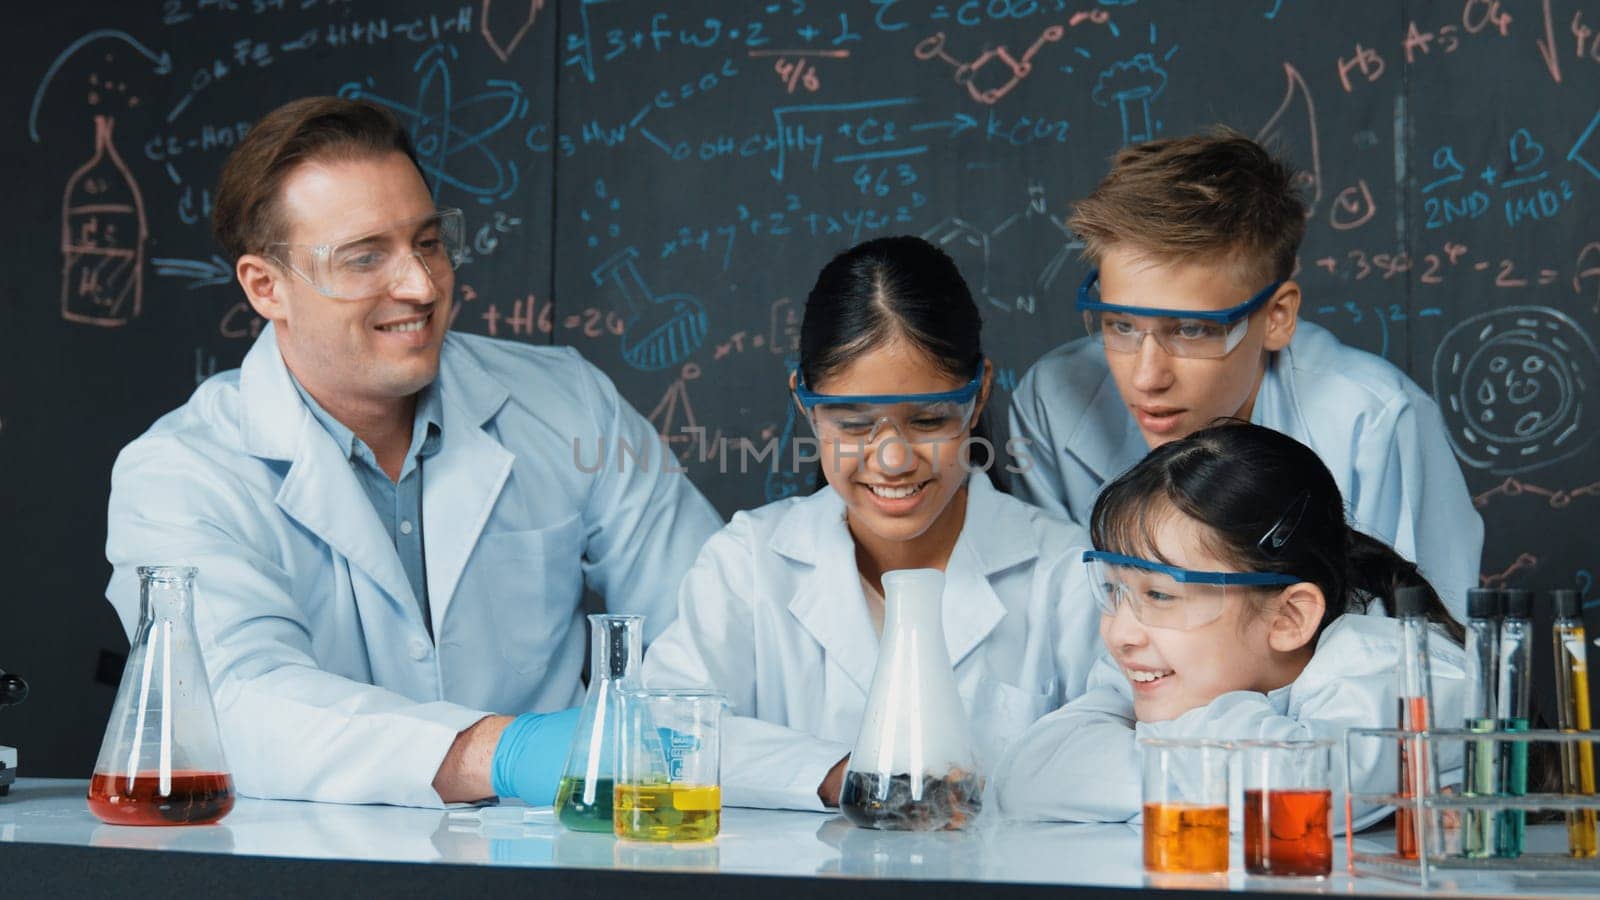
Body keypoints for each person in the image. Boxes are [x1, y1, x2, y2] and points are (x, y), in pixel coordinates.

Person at [102, 97, 722, 808]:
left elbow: (707, 630)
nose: (422, 286)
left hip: (557, 851)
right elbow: (233, 706)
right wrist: (503, 752)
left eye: (428, 242)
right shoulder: (183, 473)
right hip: (308, 871)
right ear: (265, 286)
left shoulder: (569, 404)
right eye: (365, 257)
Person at [642, 236, 1101, 811]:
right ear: (807, 404)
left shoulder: (1064, 573)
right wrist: (847, 776)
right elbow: (659, 735)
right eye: (854, 424)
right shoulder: (747, 564)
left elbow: (1130, 743)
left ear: (979, 394)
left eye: (929, 419)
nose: (891, 459)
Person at [1008, 128, 1480, 619]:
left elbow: (1426, 656)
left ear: (1277, 316)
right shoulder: (1055, 401)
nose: (1146, 377)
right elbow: (1063, 628)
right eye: (1121, 325)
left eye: (1190, 330)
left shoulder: (1375, 423)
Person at [993, 421, 1466, 830]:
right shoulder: (1162, 668)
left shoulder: (1401, 672)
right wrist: (1209, 783)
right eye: (1115, 591)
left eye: (1160, 594)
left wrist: (1135, 780)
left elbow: (1291, 791)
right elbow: (1030, 775)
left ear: (1289, 617)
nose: (1121, 635)